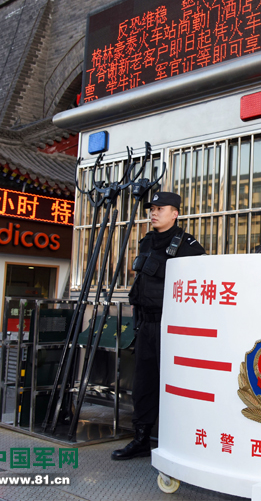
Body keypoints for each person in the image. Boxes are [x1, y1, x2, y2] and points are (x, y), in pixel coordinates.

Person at [112, 191, 205, 460]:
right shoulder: (147, 242)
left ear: (175, 213)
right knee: (144, 383)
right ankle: (141, 439)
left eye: (160, 209)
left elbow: (200, 284)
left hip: (171, 327)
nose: (153, 213)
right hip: (146, 324)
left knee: (176, 384)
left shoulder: (188, 245)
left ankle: (179, 441)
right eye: (152, 209)